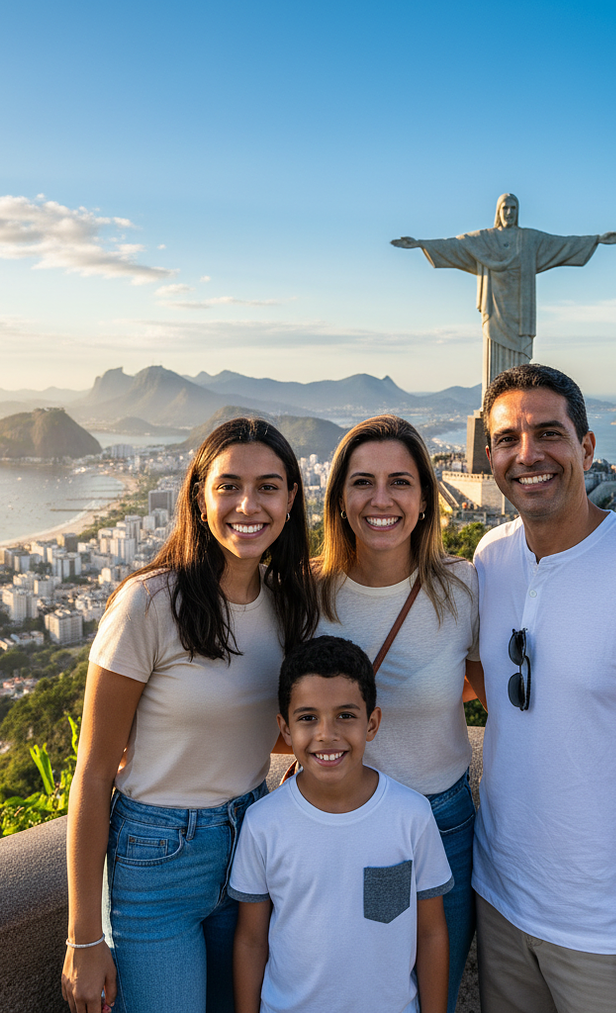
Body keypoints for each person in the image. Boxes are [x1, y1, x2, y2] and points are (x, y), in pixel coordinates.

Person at [60, 417, 318, 1013]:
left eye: (269, 486)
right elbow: (94, 772)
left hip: (252, 841)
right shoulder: (149, 604)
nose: (247, 504)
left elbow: (254, 730)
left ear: (290, 500)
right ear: (199, 499)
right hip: (156, 858)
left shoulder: (288, 604)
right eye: (228, 486)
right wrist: (84, 935)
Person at [314, 415, 483, 1013]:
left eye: (400, 482)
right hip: (350, 822)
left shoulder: (463, 588)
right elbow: (274, 720)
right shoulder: (306, 597)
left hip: (441, 821)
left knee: (430, 992)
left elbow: (496, 695)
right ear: (338, 497)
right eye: (362, 481)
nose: (381, 499)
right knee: (367, 988)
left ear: (425, 497)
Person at [471, 363, 616, 1013]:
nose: (527, 455)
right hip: (499, 899)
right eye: (508, 439)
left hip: (601, 928)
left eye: (548, 433)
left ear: (586, 447)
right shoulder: (490, 558)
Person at [229, 635, 453, 1013]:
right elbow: (251, 941)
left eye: (345, 716)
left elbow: (431, 933)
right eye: (308, 718)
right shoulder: (264, 823)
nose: (326, 734)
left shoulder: (411, 816)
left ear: (372, 723)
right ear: (285, 728)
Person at [391, 194, 616, 395]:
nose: (509, 213)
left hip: (520, 311)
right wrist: (421, 244)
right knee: (494, 353)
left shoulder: (530, 239)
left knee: (519, 357)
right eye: (505, 208)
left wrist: (595, 239)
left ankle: (518, 399)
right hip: (494, 307)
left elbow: (562, 243)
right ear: (498, 212)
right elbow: (454, 245)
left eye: (513, 208)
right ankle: (494, 401)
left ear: (518, 212)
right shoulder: (484, 239)